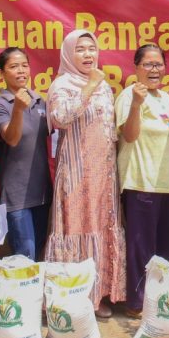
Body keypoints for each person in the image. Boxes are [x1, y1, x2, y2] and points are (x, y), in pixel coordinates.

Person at [46, 30, 126, 317]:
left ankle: (99, 293)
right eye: (80, 49)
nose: (88, 55)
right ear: (69, 53)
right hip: (78, 173)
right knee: (77, 227)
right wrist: (89, 86)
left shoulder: (105, 86)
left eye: (92, 49)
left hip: (103, 173)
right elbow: (60, 118)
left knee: (101, 225)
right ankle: (74, 295)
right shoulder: (63, 84)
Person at [115, 44, 169, 318]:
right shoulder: (128, 96)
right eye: (148, 64)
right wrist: (135, 105)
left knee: (165, 247)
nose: (154, 70)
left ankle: (161, 296)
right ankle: (138, 302)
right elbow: (129, 136)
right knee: (141, 248)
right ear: (136, 67)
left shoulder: (167, 99)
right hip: (142, 182)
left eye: (159, 65)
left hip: (168, 184)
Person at [0, 47, 52, 261]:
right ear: (1, 73)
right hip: (17, 196)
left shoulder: (39, 101)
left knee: (41, 256)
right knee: (24, 258)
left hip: (43, 194)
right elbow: (12, 138)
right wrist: (17, 110)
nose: (21, 71)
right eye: (14, 66)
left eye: (24, 65)